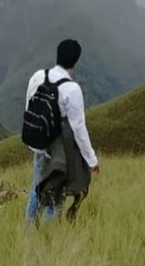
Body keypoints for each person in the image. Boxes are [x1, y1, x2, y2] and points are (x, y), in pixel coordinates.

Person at [24, 38, 100, 223]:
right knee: (56, 195)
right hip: (59, 151)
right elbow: (79, 128)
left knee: (38, 187)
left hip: (38, 144)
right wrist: (91, 159)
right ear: (75, 61)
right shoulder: (72, 89)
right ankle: (51, 241)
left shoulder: (37, 76)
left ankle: (28, 233)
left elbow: (29, 108)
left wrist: (35, 142)